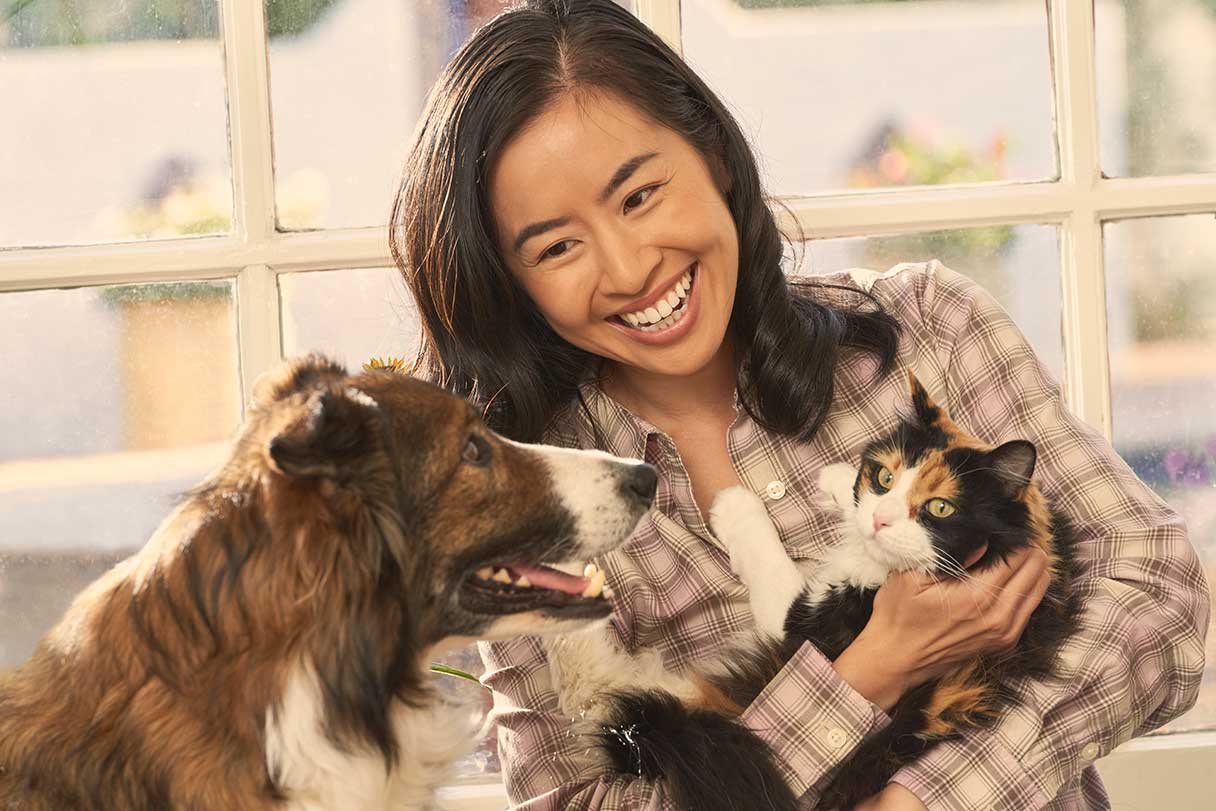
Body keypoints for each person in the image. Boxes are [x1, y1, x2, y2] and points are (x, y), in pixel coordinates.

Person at [389, 1, 1211, 808]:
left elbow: (1156, 588)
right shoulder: (530, 500)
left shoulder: (929, 332)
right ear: (511, 282)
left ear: (711, 153)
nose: (630, 266)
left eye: (639, 196)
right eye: (558, 246)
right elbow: (573, 800)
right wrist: (867, 669)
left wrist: (928, 798)